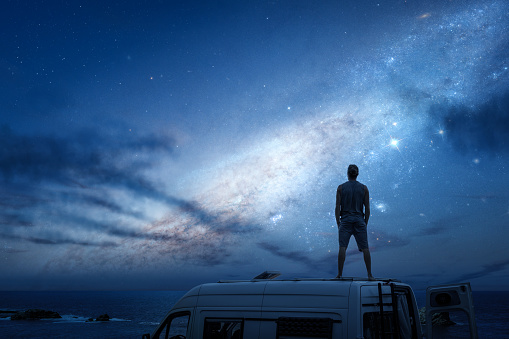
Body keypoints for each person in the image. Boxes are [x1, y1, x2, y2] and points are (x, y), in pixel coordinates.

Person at [335, 164, 374, 280]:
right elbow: (367, 208)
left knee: (342, 247)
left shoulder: (341, 188)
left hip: (345, 220)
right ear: (357, 174)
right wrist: (365, 223)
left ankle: (339, 274)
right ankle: (370, 274)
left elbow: (337, 207)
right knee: (365, 248)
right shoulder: (364, 188)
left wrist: (338, 222)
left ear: (347, 173)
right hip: (359, 220)